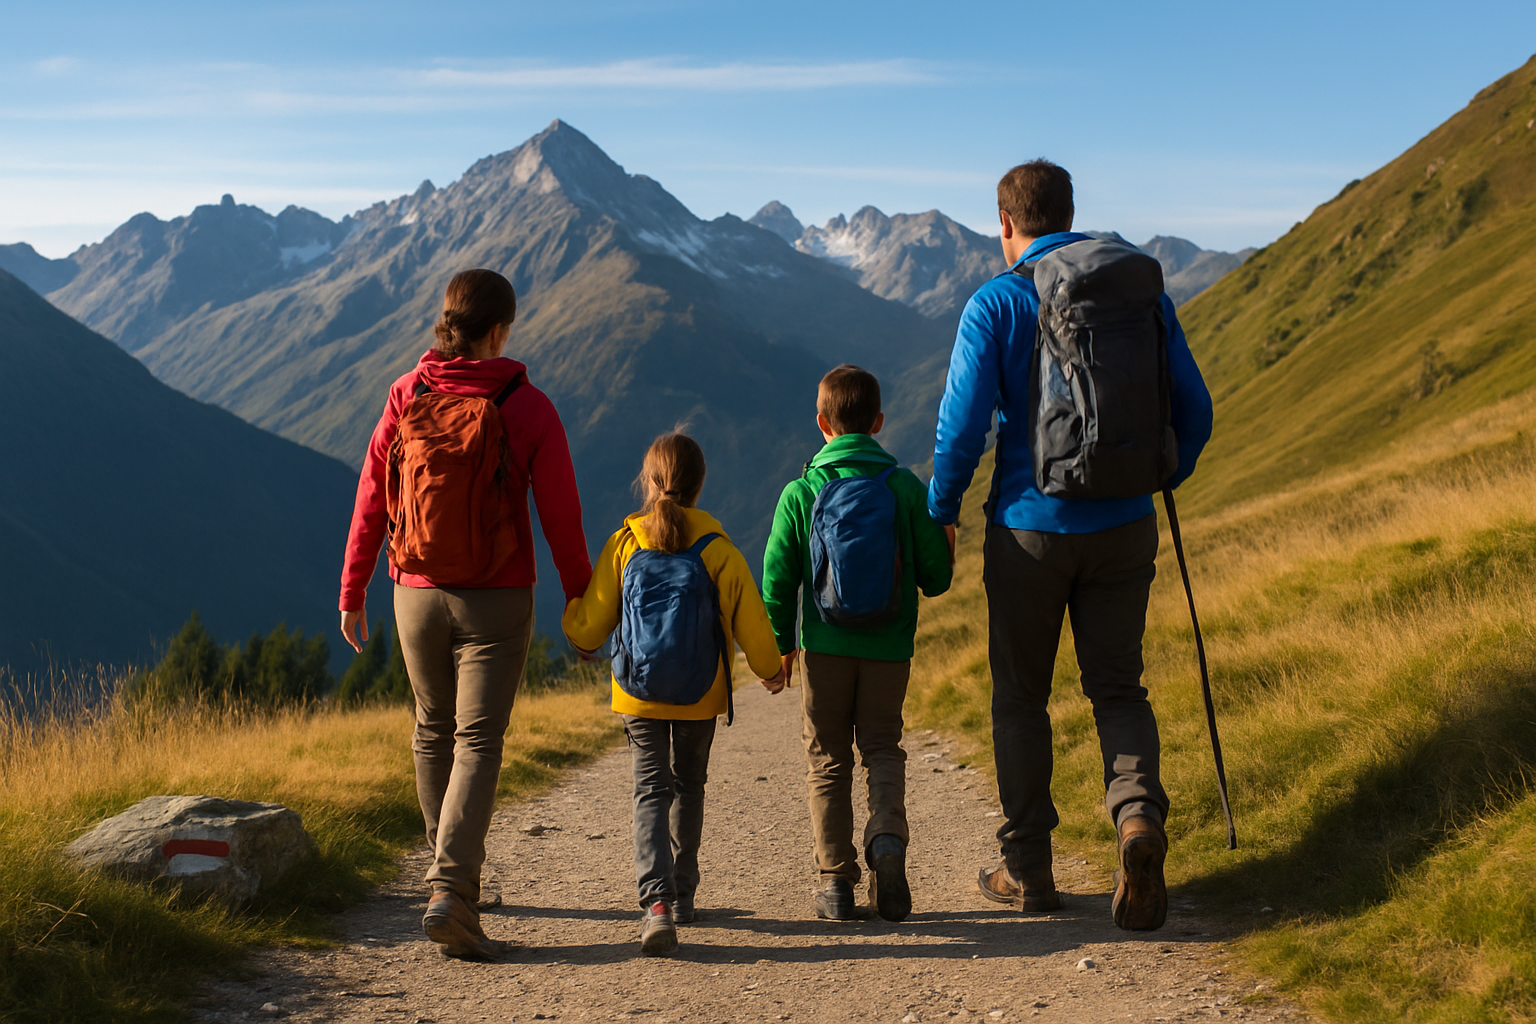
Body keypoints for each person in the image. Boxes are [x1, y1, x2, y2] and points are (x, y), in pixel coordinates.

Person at [927, 160, 1213, 931]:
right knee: (1118, 689)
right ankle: (1137, 824)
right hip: (1123, 528)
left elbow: (960, 427)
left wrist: (942, 510)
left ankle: (1029, 872)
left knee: (1021, 698)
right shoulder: (1135, 292)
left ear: (1006, 227)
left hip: (1029, 533)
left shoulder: (997, 301)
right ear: (1071, 211)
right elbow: (1196, 408)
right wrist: (1152, 476)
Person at [339, 268, 592, 959]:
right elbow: (561, 516)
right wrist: (581, 601)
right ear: (501, 330)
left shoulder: (407, 391)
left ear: (447, 322)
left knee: (432, 727)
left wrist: (352, 587)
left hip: (413, 590)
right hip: (498, 594)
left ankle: (448, 875)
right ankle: (453, 885)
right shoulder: (527, 404)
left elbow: (373, 493)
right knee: (479, 740)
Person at [562, 431, 786, 956]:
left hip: (637, 692)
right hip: (698, 694)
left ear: (650, 480)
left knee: (649, 789)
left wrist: (577, 635)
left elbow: (592, 622)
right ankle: (683, 895)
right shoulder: (718, 549)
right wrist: (770, 669)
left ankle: (656, 904)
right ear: (700, 484)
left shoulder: (626, 543)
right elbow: (751, 622)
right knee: (689, 785)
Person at [762, 365, 954, 922]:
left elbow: (778, 579)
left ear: (822, 423)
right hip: (890, 649)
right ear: (878, 422)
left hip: (824, 648)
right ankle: (888, 843)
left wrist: (781, 646)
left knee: (827, 758)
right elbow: (937, 579)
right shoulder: (903, 487)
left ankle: (835, 884)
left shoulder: (801, 492)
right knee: (882, 748)